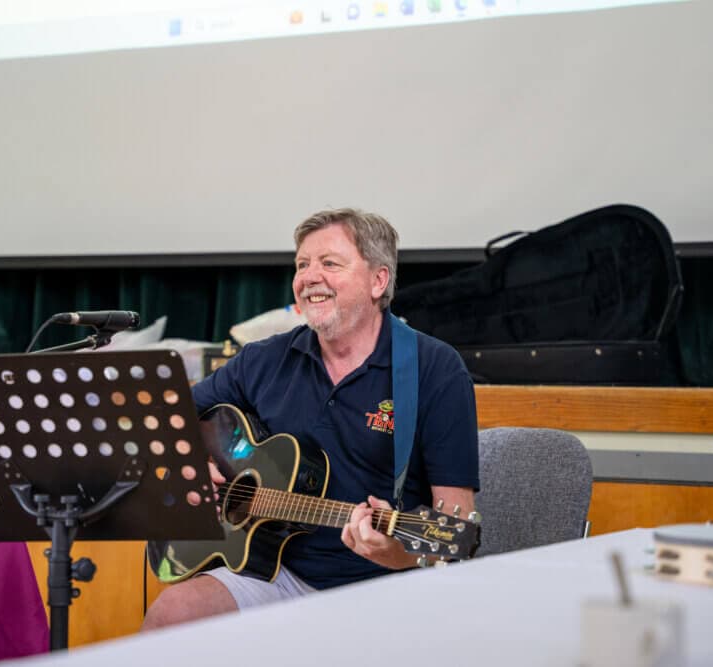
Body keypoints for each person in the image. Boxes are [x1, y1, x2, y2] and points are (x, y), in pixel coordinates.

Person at [141, 208, 479, 630]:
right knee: (172, 614)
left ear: (379, 281)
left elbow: (457, 525)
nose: (309, 277)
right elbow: (166, 419)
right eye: (302, 264)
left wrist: (399, 554)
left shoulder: (434, 369)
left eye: (330, 264)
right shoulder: (263, 360)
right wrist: (189, 466)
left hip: (385, 584)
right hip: (274, 574)